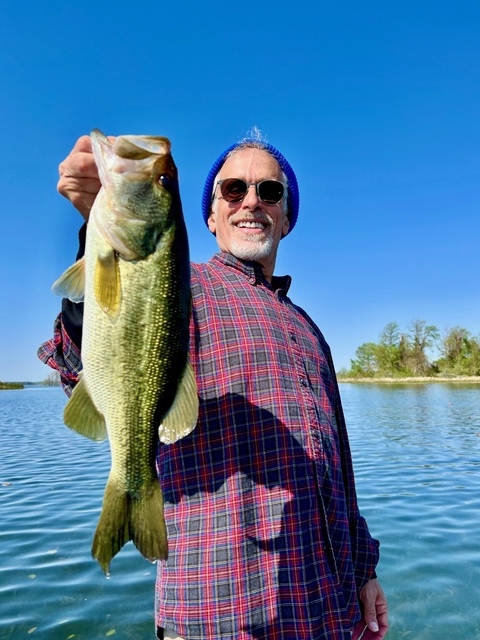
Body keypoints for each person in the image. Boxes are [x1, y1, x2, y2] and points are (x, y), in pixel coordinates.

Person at [39, 133, 389, 640]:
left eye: (270, 191)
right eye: (233, 189)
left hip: (329, 611)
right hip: (217, 614)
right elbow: (77, 360)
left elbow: (340, 469)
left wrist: (365, 571)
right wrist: (95, 230)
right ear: (210, 216)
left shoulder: (309, 328)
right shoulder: (186, 285)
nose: (251, 201)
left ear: (287, 218)